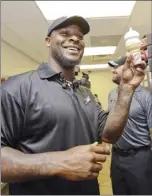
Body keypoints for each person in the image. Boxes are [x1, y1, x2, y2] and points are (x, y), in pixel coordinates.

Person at [1, 16, 146, 195]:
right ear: (48, 41)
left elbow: (109, 134)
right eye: (65, 33)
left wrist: (126, 88)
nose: (75, 38)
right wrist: (60, 162)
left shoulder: (84, 93)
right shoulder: (17, 88)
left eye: (80, 36)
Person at [108, 56, 152, 195]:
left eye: (116, 67)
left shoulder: (145, 95)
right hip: (116, 157)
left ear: (130, 68)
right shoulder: (112, 94)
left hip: (139, 158)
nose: (113, 70)